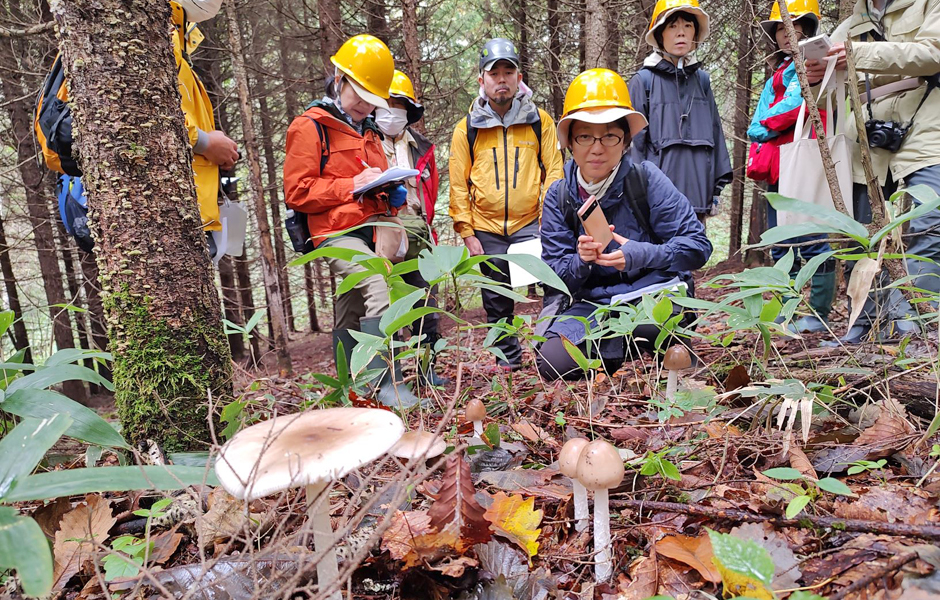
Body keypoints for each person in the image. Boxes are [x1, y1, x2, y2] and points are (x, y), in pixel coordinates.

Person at [537, 69, 712, 381]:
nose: (597, 148)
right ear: (570, 142)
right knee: (553, 360)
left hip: (654, 295)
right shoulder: (559, 195)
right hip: (594, 305)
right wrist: (581, 261)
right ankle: (610, 359)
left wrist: (641, 254)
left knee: (659, 323)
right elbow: (553, 276)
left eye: (610, 136)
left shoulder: (646, 180)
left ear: (625, 141)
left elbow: (698, 247)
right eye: (585, 136)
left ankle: (668, 357)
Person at [283, 35, 422, 407]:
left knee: (352, 305)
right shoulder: (310, 126)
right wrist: (351, 185)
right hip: (333, 231)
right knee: (377, 283)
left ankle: (349, 389)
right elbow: (297, 192)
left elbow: (372, 180)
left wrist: (390, 191)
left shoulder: (371, 131)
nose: (364, 105)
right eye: (358, 94)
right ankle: (386, 387)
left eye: (371, 99)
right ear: (339, 78)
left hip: (370, 227)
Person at [806, 0, 940, 342]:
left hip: (929, 127)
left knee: (928, 227)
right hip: (867, 137)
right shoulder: (852, 24)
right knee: (864, 234)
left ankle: (914, 326)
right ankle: (866, 323)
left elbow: (933, 52)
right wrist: (816, 78)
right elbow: (825, 101)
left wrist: (857, 54)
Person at [448, 38, 564, 371]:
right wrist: (467, 233)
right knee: (496, 300)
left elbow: (554, 172)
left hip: (531, 224)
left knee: (553, 286)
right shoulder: (466, 129)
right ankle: (508, 363)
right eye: (494, 73)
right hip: (486, 228)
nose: (502, 79)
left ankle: (552, 353)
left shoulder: (539, 121)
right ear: (481, 79)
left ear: (518, 77)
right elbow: (458, 184)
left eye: (508, 72)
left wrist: (548, 220)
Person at [748, 0, 835, 334]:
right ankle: (789, 310)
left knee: (810, 237)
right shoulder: (781, 68)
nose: (786, 35)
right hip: (781, 164)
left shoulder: (812, 65)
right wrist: (762, 125)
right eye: (781, 29)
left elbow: (794, 105)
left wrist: (762, 125)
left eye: (793, 28)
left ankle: (819, 313)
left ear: (808, 31)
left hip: (803, 160)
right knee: (782, 241)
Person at [373, 70, 449, 386]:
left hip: (418, 229)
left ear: (408, 110)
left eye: (398, 105)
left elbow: (431, 191)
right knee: (383, 302)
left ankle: (426, 371)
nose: (392, 112)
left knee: (425, 301)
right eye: (386, 104)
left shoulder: (421, 147)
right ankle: (388, 377)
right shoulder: (364, 141)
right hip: (381, 229)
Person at [629, 0, 732, 224]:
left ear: (695, 33)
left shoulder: (702, 81)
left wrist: (716, 190)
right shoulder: (643, 81)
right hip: (657, 203)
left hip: (698, 200)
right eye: (672, 26)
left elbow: (716, 136)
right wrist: (639, 196)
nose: (681, 33)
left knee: (694, 247)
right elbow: (634, 145)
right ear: (660, 34)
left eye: (688, 25)